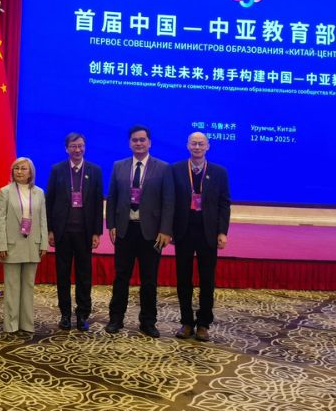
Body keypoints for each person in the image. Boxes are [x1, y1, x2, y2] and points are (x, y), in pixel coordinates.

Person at [105, 125, 174, 337]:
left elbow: (168, 202)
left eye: (142, 140)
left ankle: (148, 322)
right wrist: (111, 225)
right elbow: (112, 198)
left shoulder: (163, 168)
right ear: (129, 143)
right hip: (125, 230)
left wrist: (165, 230)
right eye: (135, 140)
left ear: (149, 142)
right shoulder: (119, 166)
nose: (139, 143)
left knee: (149, 280)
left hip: (151, 233)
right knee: (121, 277)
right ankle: (116, 319)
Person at [171, 132, 231, 342]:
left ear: (208, 146)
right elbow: (170, 202)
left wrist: (222, 232)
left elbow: (224, 204)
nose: (197, 147)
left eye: (201, 144)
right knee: (183, 279)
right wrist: (169, 230)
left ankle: (204, 323)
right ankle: (186, 322)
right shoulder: (176, 170)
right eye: (193, 143)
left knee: (207, 280)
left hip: (208, 233)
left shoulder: (219, 172)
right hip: (183, 232)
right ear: (187, 145)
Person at [45, 132, 103, 331]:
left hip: (84, 233)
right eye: (73, 146)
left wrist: (96, 233)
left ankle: (82, 315)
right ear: (66, 148)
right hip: (62, 232)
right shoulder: (57, 170)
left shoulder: (95, 171)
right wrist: (50, 230)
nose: (77, 150)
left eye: (80, 146)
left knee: (84, 276)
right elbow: (49, 201)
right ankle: (65, 314)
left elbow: (98, 204)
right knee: (62, 275)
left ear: (84, 147)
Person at [0, 157, 48, 333]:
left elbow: (43, 219)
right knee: (12, 287)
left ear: (31, 172)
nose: (19, 171)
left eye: (23, 168)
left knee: (28, 286)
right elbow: (1, 220)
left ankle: (26, 323)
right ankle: (11, 324)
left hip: (33, 244)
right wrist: (1, 245)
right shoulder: (5, 191)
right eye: (16, 168)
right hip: (11, 245)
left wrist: (44, 243)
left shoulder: (39, 192)